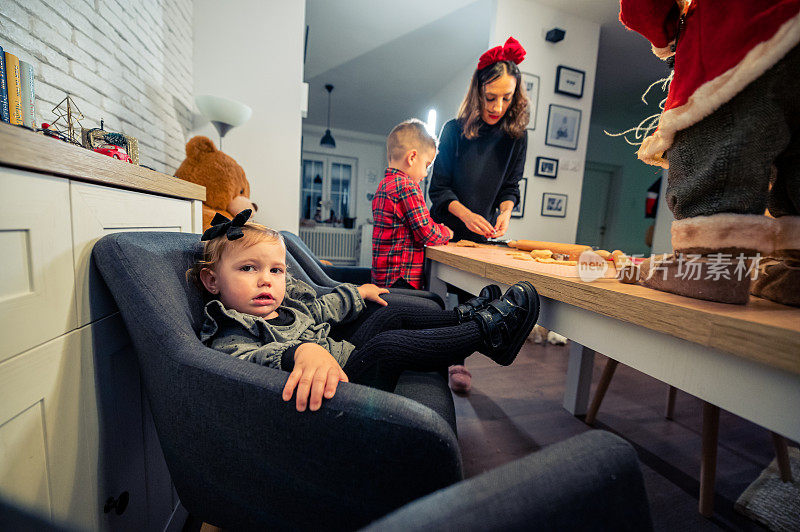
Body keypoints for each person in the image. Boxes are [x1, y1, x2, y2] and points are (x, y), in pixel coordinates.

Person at [188, 210, 540, 412]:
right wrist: (297, 352)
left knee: (387, 315)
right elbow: (243, 363)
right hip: (337, 389)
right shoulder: (229, 330)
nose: (266, 281)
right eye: (248, 269)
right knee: (387, 346)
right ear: (212, 280)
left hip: (341, 355)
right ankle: (486, 332)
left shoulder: (286, 301)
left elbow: (323, 306)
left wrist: (357, 293)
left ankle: (467, 317)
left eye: (275, 271)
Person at [619, 0, 800, 306]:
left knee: (716, 141)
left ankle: (709, 265)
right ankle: (794, 274)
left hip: (739, 27)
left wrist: (666, 30)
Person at [428, 36, 530, 392]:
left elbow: (510, 187)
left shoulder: (517, 137)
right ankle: (446, 358)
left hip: (481, 235)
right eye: (490, 97)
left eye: (507, 97)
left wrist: (506, 212)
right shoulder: (454, 131)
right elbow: (437, 190)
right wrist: (465, 214)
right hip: (445, 232)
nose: (498, 105)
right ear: (477, 91)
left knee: (479, 298)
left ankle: (460, 354)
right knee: (446, 299)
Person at [372, 118, 453, 290]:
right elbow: (426, 233)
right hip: (402, 278)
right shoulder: (408, 187)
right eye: (427, 165)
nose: (425, 174)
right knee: (433, 304)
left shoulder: (384, 185)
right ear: (412, 157)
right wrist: (446, 232)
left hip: (383, 276)